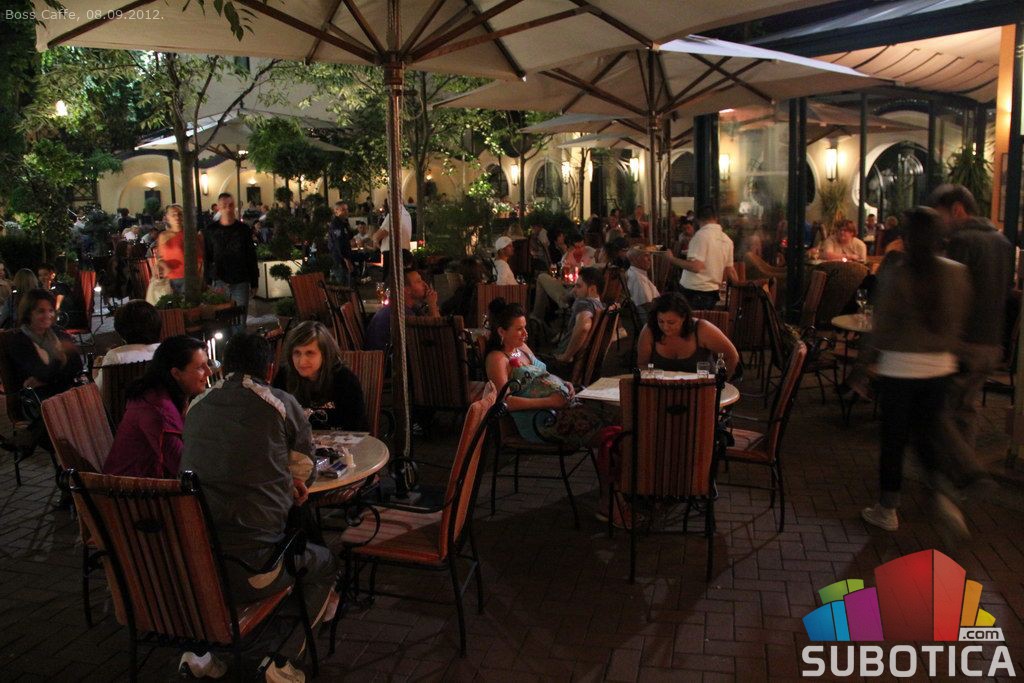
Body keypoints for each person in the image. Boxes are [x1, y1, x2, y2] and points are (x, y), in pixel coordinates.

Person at [180, 333, 338, 680]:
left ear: (223, 366)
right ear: (269, 369)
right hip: (255, 569)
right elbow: (305, 472)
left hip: (198, 566)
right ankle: (283, 660)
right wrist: (288, 484)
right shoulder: (280, 403)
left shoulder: (196, 404)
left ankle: (209, 651)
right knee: (325, 563)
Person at [860, 207, 972, 534]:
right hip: (940, 368)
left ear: (908, 237)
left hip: (899, 368)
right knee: (928, 434)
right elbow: (961, 320)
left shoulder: (897, 273)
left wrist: (864, 364)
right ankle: (942, 495)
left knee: (893, 440)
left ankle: (887, 509)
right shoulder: (956, 273)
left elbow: (881, 326)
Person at [928, 184, 1013, 485]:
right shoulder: (1002, 242)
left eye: (940, 215)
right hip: (991, 342)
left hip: (964, 341)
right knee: (966, 407)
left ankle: (966, 470)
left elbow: (949, 293)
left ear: (957, 209)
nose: (940, 223)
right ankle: (957, 478)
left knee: (938, 409)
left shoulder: (962, 241)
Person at [484, 300, 610, 448]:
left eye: (525, 327)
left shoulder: (521, 347)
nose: (525, 333)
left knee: (609, 420)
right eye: (519, 329)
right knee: (603, 430)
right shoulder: (497, 359)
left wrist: (563, 383)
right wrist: (551, 401)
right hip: (541, 420)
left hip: (557, 409)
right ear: (501, 332)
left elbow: (543, 374)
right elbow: (504, 402)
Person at [103, 336, 211, 478]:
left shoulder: (167, 396)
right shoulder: (157, 408)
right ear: (176, 373)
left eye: (208, 364)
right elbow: (184, 466)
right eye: (200, 367)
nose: (209, 372)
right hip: (129, 489)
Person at [273, 321, 367, 431]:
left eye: (310, 353)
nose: (301, 361)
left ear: (325, 354)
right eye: (297, 353)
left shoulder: (345, 381)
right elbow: (275, 421)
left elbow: (356, 427)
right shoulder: (284, 377)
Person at [637, 292, 739, 374]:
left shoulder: (702, 329)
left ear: (684, 318)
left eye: (671, 322)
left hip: (703, 388)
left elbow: (732, 356)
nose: (665, 327)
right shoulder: (650, 330)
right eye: (661, 321)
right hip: (663, 389)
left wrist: (721, 384)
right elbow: (642, 365)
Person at [9, 289, 82, 400]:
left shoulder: (58, 333)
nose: (48, 315)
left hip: (65, 393)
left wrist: (45, 380)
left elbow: (77, 367)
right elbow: (42, 374)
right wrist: (61, 357)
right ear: (28, 314)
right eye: (41, 311)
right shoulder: (19, 341)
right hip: (39, 400)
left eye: (51, 310)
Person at [202, 192, 257, 333]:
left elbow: (251, 256)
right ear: (218, 207)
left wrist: (254, 281)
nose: (228, 208)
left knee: (239, 322)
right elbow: (207, 256)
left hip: (240, 280)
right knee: (221, 323)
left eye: (231, 205)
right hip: (219, 280)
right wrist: (207, 280)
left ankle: (238, 345)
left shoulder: (243, 230)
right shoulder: (211, 230)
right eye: (224, 205)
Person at [670, 205, 739, 310]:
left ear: (698, 220)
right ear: (716, 218)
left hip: (694, 291)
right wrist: (739, 294)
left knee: (692, 320)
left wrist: (671, 259)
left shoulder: (700, 236)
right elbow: (731, 271)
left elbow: (696, 267)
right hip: (712, 293)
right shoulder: (727, 240)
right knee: (704, 320)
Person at [93, 300, 162, 395]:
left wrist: (95, 373)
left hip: (124, 404)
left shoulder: (116, 356)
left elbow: (99, 392)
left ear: (121, 329)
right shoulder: (164, 350)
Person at [365, 269, 439, 351]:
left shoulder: (408, 308)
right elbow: (436, 335)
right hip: (385, 357)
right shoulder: (401, 313)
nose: (425, 284)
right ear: (406, 289)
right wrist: (432, 305)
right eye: (419, 281)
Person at [553, 266, 605, 364]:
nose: (574, 290)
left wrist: (566, 356)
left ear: (592, 289)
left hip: (561, 362)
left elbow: (584, 327)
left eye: (579, 286)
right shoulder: (600, 306)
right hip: (582, 362)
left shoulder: (584, 303)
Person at [158, 204, 202, 293]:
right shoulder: (163, 236)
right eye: (173, 215)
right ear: (167, 217)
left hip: (187, 278)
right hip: (168, 279)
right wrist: (162, 265)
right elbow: (159, 258)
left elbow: (199, 257)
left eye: (180, 214)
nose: (177, 217)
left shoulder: (190, 234)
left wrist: (196, 277)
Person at [373, 199, 413, 278]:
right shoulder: (407, 215)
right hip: (405, 253)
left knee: (390, 280)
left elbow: (378, 236)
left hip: (392, 254)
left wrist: (375, 240)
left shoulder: (394, 214)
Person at [328, 201, 355, 285]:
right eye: (343, 210)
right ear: (336, 211)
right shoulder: (336, 224)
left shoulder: (344, 223)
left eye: (347, 209)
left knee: (347, 283)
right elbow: (338, 243)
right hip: (339, 259)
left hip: (345, 257)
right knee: (343, 284)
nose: (346, 212)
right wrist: (346, 259)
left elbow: (349, 236)